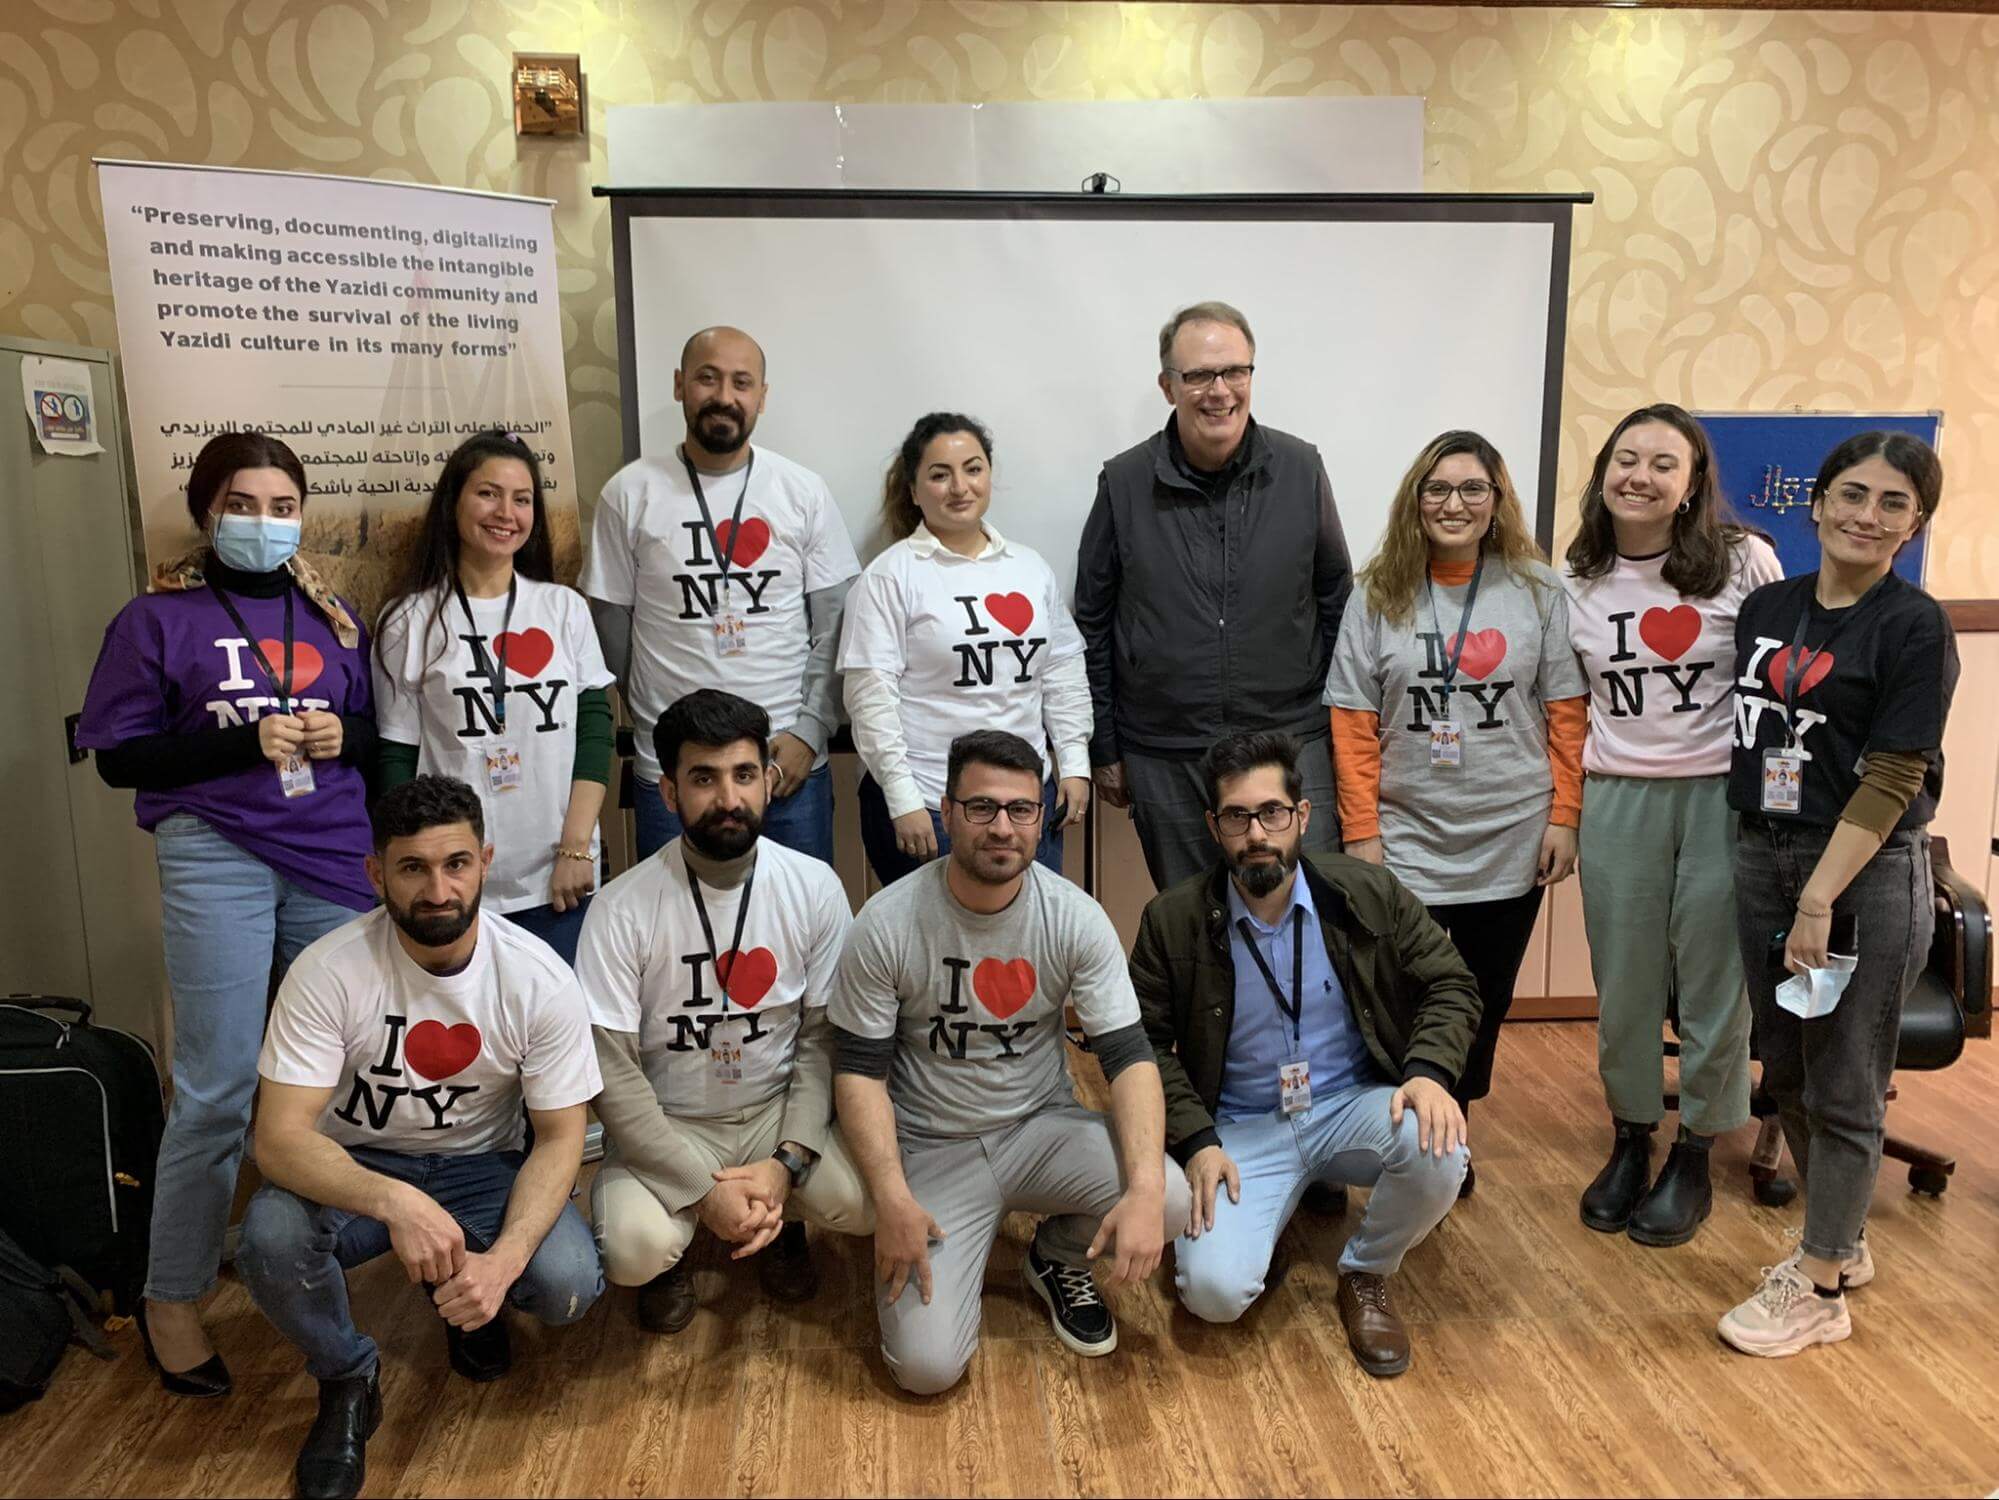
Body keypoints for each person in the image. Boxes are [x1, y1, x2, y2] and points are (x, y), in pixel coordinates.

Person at [74, 430, 377, 1398]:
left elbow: (375, 738)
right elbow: (121, 756)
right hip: (218, 854)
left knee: (345, 1073)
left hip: (332, 851)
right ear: (207, 512)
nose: (263, 521)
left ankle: (310, 1250)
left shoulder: (333, 617)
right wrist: (241, 741)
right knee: (216, 1087)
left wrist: (345, 731)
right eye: (241, 503)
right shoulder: (156, 621)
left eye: (281, 504)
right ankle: (173, 1295)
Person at [236, 776, 603, 1499]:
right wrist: (397, 1203)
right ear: (377, 873)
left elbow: (562, 1139)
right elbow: (277, 1141)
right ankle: (346, 1375)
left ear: (484, 862)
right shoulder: (327, 971)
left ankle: (471, 1300)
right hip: (360, 1166)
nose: (438, 889)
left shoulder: (538, 978)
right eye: (412, 868)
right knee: (267, 1239)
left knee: (565, 1284)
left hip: (484, 1164)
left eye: (455, 864)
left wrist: (501, 1263)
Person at [830, 730, 1191, 1394]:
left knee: (1167, 1198)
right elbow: (856, 1071)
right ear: (946, 812)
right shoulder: (885, 922)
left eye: (1021, 809)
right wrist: (891, 1198)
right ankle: (958, 1239)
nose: (1003, 827)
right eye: (981, 808)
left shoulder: (1074, 918)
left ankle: (1054, 1256)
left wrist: (1140, 1187)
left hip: (1039, 1129)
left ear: (1041, 814)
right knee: (927, 1370)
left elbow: (1130, 1058)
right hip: (930, 1146)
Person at [1131, 731, 1477, 1377]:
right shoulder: (1169, 919)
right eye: (1237, 816)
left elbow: (1450, 982)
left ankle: (1366, 1270)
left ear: (1302, 817)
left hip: (1348, 1104)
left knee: (1442, 1150)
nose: (1256, 832)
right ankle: (1273, 1218)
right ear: (1213, 826)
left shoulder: (1366, 891)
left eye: (1272, 813)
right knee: (1213, 1297)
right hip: (1239, 1126)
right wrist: (1196, 1139)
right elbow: (1141, 1046)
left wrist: (1428, 1074)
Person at [1719, 432, 1956, 1357]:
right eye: (1851, 494)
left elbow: (1894, 773)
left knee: (1847, 1082)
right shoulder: (1769, 606)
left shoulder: (1913, 624)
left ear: (1914, 522)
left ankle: (1818, 1286)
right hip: (1760, 853)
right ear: (1813, 503)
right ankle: (1841, 1243)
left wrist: (1818, 898)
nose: (1867, 515)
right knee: (1781, 1068)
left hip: (1855, 871)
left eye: (1892, 503)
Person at [1324, 431, 1586, 1192]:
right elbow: (1350, 721)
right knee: (1396, 992)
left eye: (1472, 489)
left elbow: (1566, 712)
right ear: (1415, 500)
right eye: (1436, 489)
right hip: (1404, 833)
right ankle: (1393, 1120)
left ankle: (1452, 1126)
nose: (1453, 504)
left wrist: (1563, 816)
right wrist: (1362, 834)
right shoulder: (1377, 591)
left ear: (1496, 502)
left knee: (1481, 994)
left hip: (1510, 832)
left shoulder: (1537, 591)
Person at [578, 690, 873, 1333]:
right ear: (668, 793)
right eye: (703, 779)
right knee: (632, 1251)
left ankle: (783, 1218)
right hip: (671, 1118)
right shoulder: (622, 907)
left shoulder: (814, 886)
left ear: (769, 781)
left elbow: (822, 1039)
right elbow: (613, 1072)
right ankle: (674, 1252)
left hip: (774, 1112)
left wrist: (784, 1161)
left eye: (743, 775)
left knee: (863, 1203)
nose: (728, 798)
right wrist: (701, 1187)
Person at [1561, 405, 1784, 1245]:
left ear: (1692, 485)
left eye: (1663, 463)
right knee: (1624, 984)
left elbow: (1782, 682)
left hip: (1721, 798)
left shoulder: (1741, 562)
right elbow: (1568, 704)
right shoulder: (1576, 576)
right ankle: (1629, 1137)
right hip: (1618, 795)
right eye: (1625, 458)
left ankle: (1695, 1149)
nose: (1640, 477)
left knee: (1711, 984)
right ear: (1602, 471)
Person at [1074, 300, 1352, 891]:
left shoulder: (1301, 470)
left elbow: (1336, 601)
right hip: (1167, 755)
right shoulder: (1124, 483)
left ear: (1251, 376)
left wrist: (1337, 731)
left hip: (1292, 744)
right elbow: (1092, 623)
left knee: (1310, 919)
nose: (1218, 391)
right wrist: (1105, 745)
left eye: (1234, 372)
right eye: (1198, 375)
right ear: (1167, 386)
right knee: (1195, 931)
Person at [583, 326, 860, 864]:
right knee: (673, 932)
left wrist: (810, 731)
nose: (725, 397)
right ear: (680, 385)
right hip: (675, 771)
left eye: (742, 382)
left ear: (762, 395)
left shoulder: (802, 491)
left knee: (798, 931)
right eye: (708, 378)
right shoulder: (629, 493)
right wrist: (658, 725)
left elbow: (834, 624)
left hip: (786, 763)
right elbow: (611, 629)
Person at [373, 431, 615, 965]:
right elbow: (396, 759)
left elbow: (594, 734)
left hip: (558, 879)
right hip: (450, 887)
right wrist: (404, 869)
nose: (506, 512)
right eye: (488, 493)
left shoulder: (563, 609)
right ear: (453, 503)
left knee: (558, 1034)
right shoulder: (409, 620)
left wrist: (577, 849)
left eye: (522, 499)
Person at [840, 412, 1092, 884]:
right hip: (931, 805)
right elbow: (870, 700)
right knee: (933, 951)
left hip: (1025, 804)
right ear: (914, 490)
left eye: (973, 469)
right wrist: (903, 800)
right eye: (940, 474)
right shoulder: (890, 576)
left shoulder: (1029, 567)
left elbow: (1061, 670)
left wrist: (1074, 762)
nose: (960, 486)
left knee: (1026, 947)